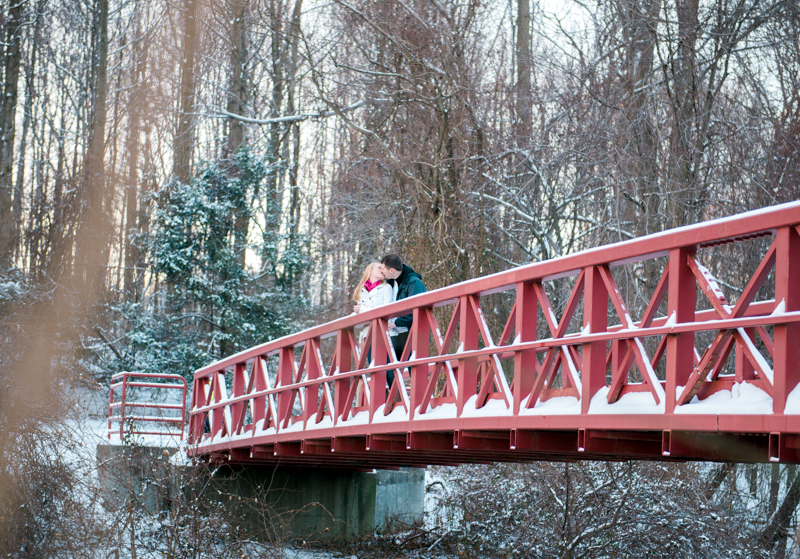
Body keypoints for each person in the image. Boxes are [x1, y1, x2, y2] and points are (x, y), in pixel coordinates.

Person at [380, 253, 426, 389]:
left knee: (416, 371)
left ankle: (422, 404)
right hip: (396, 334)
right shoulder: (390, 283)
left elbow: (417, 309)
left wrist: (395, 323)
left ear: (392, 270)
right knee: (389, 368)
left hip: (412, 332)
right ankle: (397, 401)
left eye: (383, 268)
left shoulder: (414, 282)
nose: (382, 271)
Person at [352, 262, 393, 349]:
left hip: (384, 333)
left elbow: (387, 311)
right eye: (379, 268)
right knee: (371, 362)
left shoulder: (387, 288)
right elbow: (361, 317)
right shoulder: (360, 291)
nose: (382, 270)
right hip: (367, 334)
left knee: (385, 362)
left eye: (383, 268)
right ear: (371, 271)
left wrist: (362, 309)